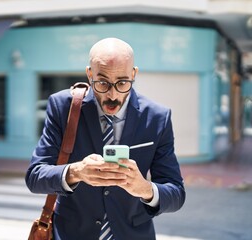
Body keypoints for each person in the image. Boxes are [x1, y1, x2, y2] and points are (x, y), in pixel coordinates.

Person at [25, 37, 185, 240]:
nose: (112, 94)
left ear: (134, 74)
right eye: (102, 82)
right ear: (89, 74)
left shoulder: (157, 117)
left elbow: (176, 193)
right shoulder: (63, 107)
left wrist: (145, 188)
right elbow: (35, 176)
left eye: (122, 82)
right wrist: (76, 172)